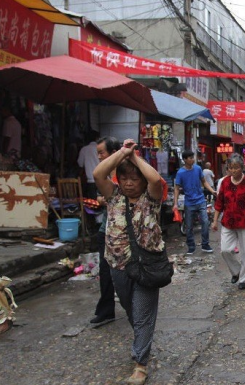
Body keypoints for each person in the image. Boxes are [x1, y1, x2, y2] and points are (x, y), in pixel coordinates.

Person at [93, 138, 165, 384]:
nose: (129, 183)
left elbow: (156, 180)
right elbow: (98, 173)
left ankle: (140, 365)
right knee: (130, 308)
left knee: (143, 313)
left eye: (134, 179)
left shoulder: (151, 198)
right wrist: (122, 152)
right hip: (118, 264)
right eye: (124, 178)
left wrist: (134, 157)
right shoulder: (113, 197)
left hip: (147, 265)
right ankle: (142, 342)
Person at [211, 153, 245, 290]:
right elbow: (219, 203)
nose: (233, 171)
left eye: (236, 168)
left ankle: (244, 280)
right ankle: (237, 271)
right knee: (225, 250)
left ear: (242, 168)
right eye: (230, 168)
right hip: (228, 221)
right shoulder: (225, 182)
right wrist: (215, 221)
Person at [90, 136, 121, 325]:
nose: (100, 157)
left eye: (102, 152)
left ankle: (136, 307)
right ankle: (107, 310)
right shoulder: (107, 173)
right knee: (105, 270)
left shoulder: (124, 173)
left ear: (113, 153)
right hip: (106, 228)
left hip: (122, 230)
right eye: (98, 153)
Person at [174, 150, 216, 256]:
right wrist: (175, 203)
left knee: (205, 222)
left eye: (193, 157)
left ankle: (205, 244)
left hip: (201, 200)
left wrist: (212, 191)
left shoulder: (197, 169)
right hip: (189, 203)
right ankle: (191, 247)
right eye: (190, 158)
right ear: (184, 160)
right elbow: (177, 188)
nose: (192, 159)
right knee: (189, 226)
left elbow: (204, 181)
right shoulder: (180, 173)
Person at [78, 133, 100, 200]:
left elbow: (80, 163)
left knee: (93, 202)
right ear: (97, 138)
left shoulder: (84, 149)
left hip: (91, 179)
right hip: (102, 178)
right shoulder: (100, 148)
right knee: (103, 201)